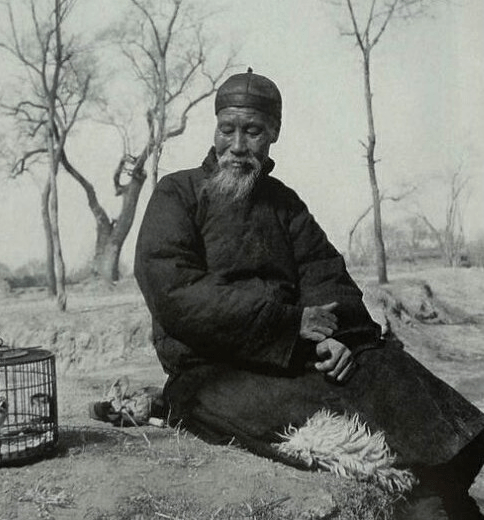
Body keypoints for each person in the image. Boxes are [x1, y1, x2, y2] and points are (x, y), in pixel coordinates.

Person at [134, 69, 484, 518]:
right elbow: (175, 292)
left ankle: (441, 486)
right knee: (312, 420)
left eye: (253, 131)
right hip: (212, 367)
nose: (238, 145)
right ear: (215, 129)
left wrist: (340, 338)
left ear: (273, 134)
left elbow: (327, 277)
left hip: (300, 351)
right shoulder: (176, 193)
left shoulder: (284, 203)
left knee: (385, 367)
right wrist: (289, 325)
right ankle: (420, 494)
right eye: (228, 130)